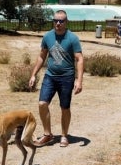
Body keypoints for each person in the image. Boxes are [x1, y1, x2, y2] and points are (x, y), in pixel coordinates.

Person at [28, 10, 84, 148]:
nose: (58, 23)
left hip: (66, 78)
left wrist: (79, 80)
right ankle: (48, 134)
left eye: (61, 21)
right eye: (55, 21)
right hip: (50, 76)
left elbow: (79, 59)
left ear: (66, 22)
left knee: (65, 107)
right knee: (42, 104)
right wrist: (33, 74)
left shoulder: (72, 38)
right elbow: (42, 56)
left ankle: (64, 135)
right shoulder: (47, 37)